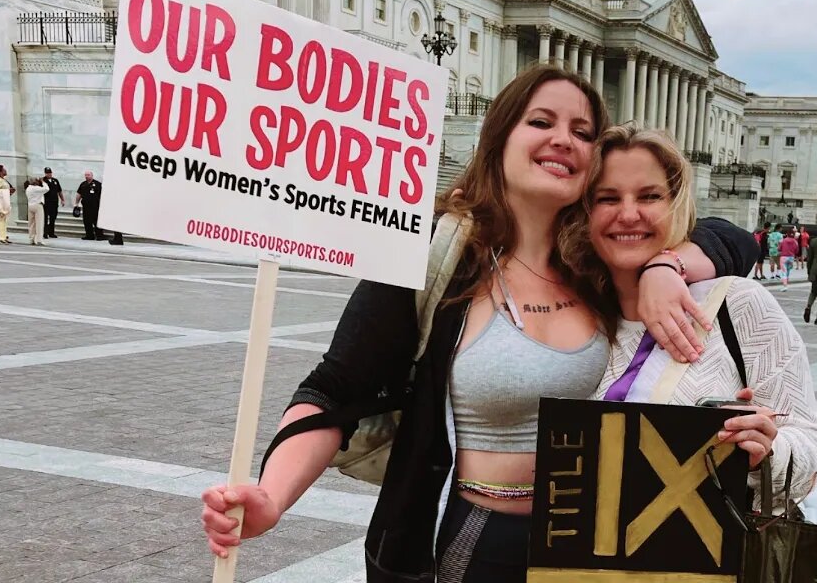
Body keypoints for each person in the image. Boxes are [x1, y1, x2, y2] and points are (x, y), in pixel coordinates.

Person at [198, 65, 757, 582]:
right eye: (541, 121)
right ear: (499, 138)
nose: (564, 138)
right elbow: (334, 389)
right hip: (463, 540)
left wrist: (666, 265)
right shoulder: (435, 254)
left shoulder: (598, 266)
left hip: (590, 552)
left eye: (583, 132)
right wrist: (272, 495)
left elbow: (733, 240)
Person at [564, 123, 817, 507]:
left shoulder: (738, 304)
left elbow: (814, 448)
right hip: (569, 560)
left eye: (649, 196)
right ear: (586, 212)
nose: (627, 213)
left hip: (695, 560)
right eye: (607, 198)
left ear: (676, 203)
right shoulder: (572, 308)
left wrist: (766, 450)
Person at [74, 171, 104, 240]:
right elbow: (79, 194)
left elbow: (102, 195)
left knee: (96, 221)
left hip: (95, 206)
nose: (87, 176)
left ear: (92, 175)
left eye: (88, 175)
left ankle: (99, 236)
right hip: (86, 206)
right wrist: (76, 203)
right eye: (85, 175)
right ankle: (89, 235)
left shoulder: (98, 184)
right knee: (87, 221)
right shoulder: (83, 184)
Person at [24, 177, 50, 245]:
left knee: (31, 223)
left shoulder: (28, 188)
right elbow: (47, 189)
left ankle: (31, 238)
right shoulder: (36, 188)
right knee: (39, 223)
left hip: (30, 205)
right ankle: (39, 240)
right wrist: (43, 182)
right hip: (37, 205)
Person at [41, 167, 65, 238]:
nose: (49, 174)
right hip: (46, 202)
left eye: (50, 173)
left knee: (53, 218)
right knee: (45, 218)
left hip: (54, 202)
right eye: (47, 173)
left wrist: (62, 199)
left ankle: (51, 232)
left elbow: (59, 191)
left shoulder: (55, 181)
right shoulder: (42, 181)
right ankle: (45, 233)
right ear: (45, 173)